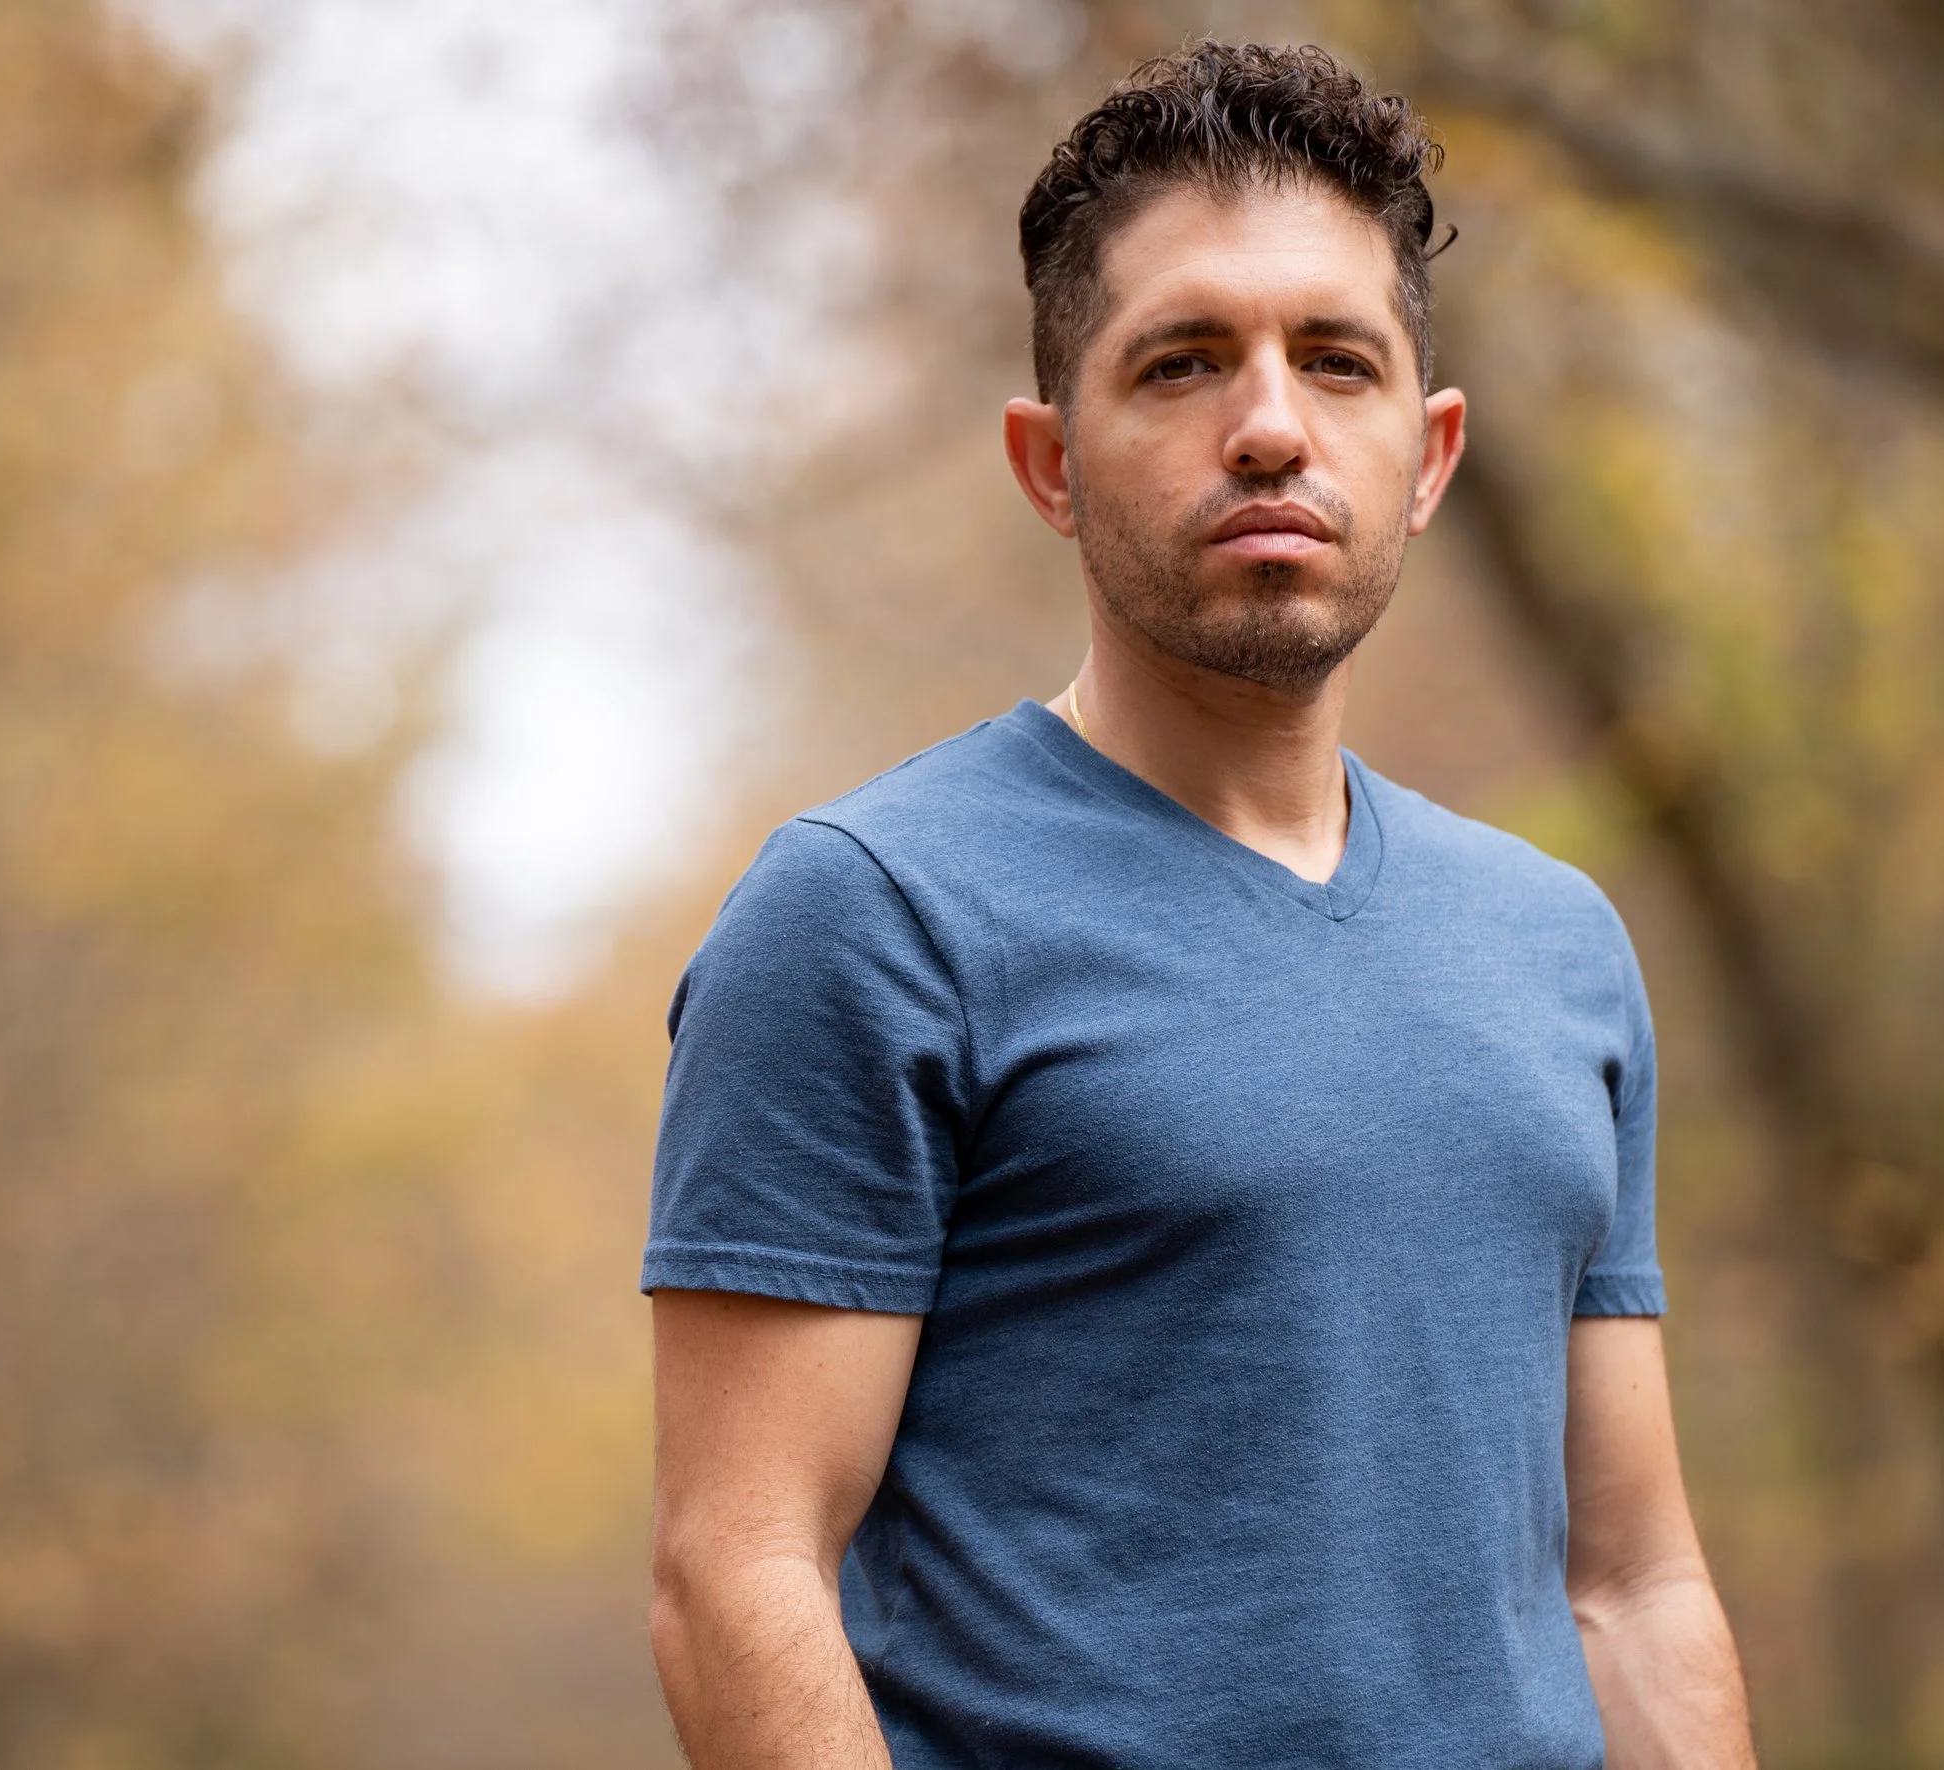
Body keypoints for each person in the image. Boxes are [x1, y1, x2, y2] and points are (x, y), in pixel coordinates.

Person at [644, 41, 1756, 1770]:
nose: (1269, 424)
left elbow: (1632, 1581)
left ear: (1431, 450)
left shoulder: (1558, 947)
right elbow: (738, 1570)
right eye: (1180, 362)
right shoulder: (871, 918)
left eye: (1337, 360)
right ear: (1050, 460)